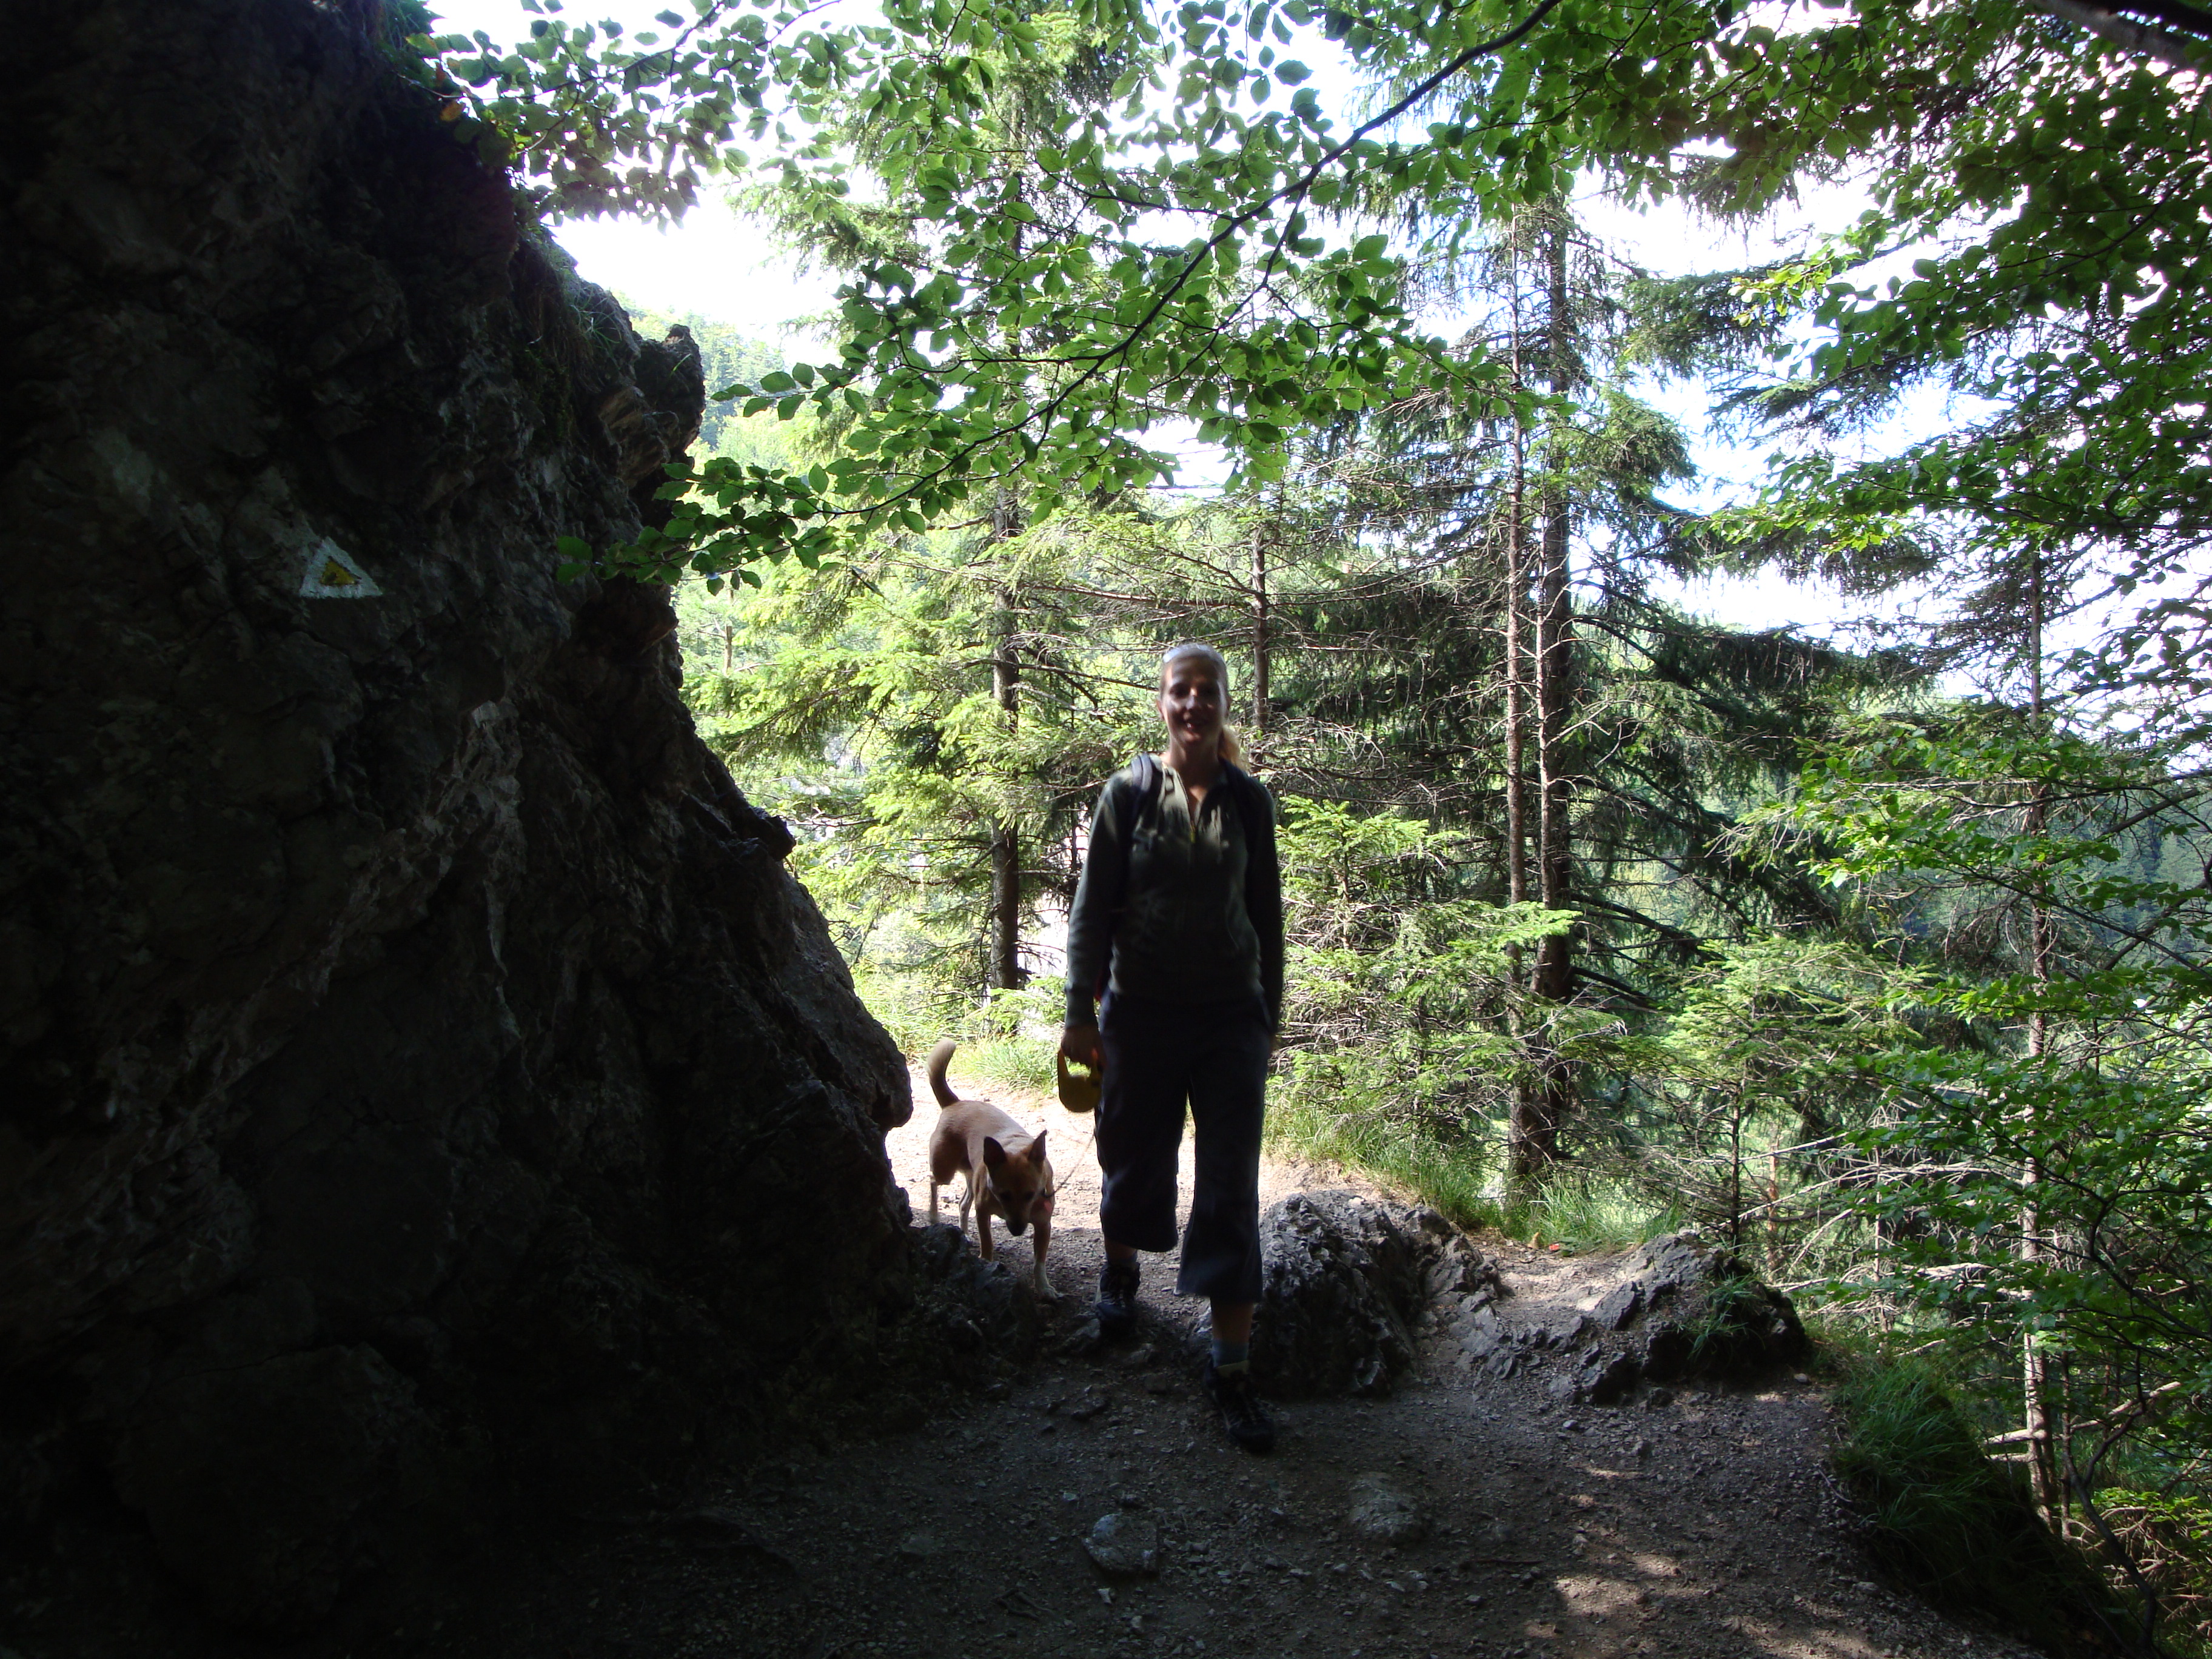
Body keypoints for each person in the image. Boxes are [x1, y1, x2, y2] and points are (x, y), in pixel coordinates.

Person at [1060, 642, 1283, 1453]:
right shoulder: (1128, 794)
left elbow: (1267, 917)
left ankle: (1231, 1370)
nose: (1194, 704)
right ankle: (1121, 1277)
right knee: (1132, 1156)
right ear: (1162, 702)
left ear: (1224, 702)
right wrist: (1079, 1014)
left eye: (1207, 691)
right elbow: (1092, 910)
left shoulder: (1249, 801)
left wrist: (1267, 1020)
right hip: (1139, 1014)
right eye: (1180, 691)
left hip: (1229, 1020)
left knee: (1230, 1187)